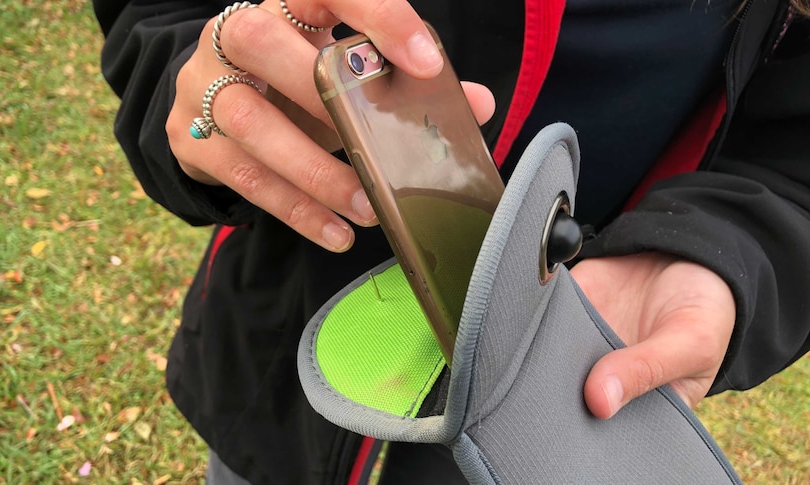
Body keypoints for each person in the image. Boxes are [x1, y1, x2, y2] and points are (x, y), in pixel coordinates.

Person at [92, 0, 810, 483]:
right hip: (290, 377)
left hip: (560, 393)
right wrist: (201, 72)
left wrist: (723, 249)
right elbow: (157, 18)